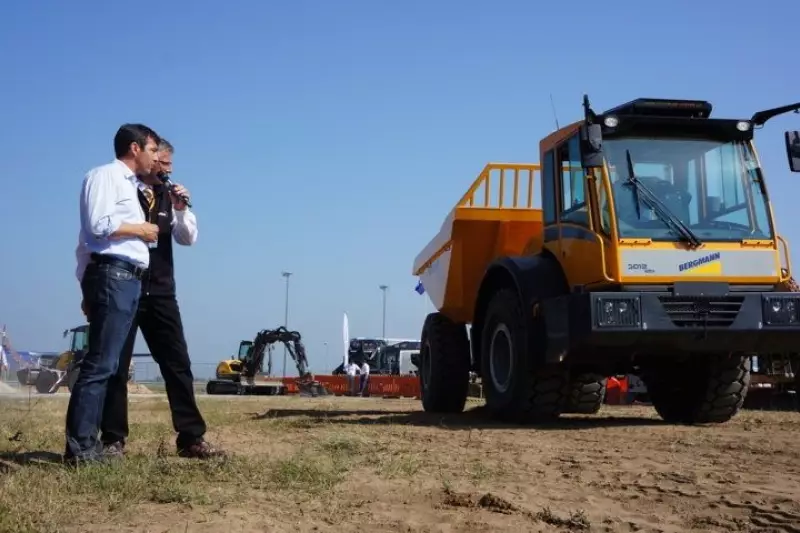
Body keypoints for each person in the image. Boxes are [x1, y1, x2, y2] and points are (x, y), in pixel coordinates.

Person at [99, 138, 225, 459]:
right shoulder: (125, 191)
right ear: (147, 158)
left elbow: (188, 239)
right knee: (116, 366)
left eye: (170, 165)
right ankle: (113, 439)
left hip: (162, 291)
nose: (166, 169)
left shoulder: (168, 197)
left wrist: (180, 209)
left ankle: (191, 437)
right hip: (124, 289)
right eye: (161, 162)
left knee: (178, 363)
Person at [66, 124, 161, 464]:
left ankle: (86, 445)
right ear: (134, 148)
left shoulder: (133, 187)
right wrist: (140, 228)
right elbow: (95, 225)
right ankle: (81, 450)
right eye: (152, 150)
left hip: (126, 278)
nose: (156, 157)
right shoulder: (104, 176)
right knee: (100, 364)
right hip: (113, 274)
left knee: (107, 364)